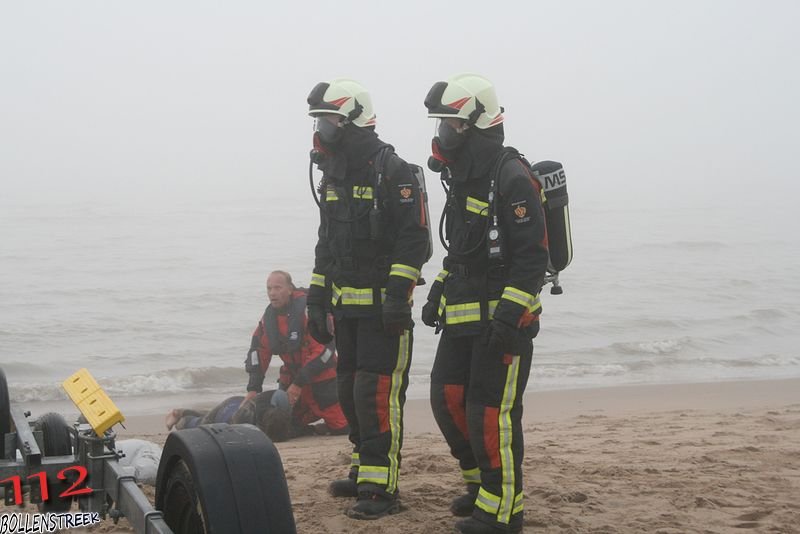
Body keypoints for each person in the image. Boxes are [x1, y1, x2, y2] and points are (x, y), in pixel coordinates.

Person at [421, 74, 549, 534]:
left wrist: (510, 316)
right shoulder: (463, 176)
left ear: (475, 123)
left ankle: (504, 512)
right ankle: (481, 488)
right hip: (463, 317)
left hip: (503, 325)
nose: (442, 134)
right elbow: (463, 249)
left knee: (492, 415)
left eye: (450, 124)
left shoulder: (512, 176)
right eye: (441, 124)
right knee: (447, 399)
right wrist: (439, 287)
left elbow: (534, 259)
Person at [305, 78, 429, 519]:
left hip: (384, 313)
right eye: (318, 119)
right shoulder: (333, 172)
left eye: (328, 118)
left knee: (376, 396)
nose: (321, 127)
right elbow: (327, 244)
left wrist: (398, 296)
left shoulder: (392, 170)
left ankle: (382, 490)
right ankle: (363, 470)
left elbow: (415, 243)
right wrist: (316, 300)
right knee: (350, 391)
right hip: (347, 312)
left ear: (354, 118)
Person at [245, 270, 349, 436]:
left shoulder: (309, 312)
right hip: (291, 379)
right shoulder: (269, 319)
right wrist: (253, 388)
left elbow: (324, 351)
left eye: (277, 288)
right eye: (269, 288)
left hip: (321, 381)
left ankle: (333, 420)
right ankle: (310, 428)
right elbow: (259, 352)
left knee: (342, 428)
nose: (272, 293)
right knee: (280, 426)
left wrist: (299, 383)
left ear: (289, 289)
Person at [165, 389, 293, 442]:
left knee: (207, 414)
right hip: (227, 414)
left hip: (236, 402)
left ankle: (180, 412)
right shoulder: (249, 425)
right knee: (199, 424)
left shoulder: (279, 398)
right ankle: (178, 416)